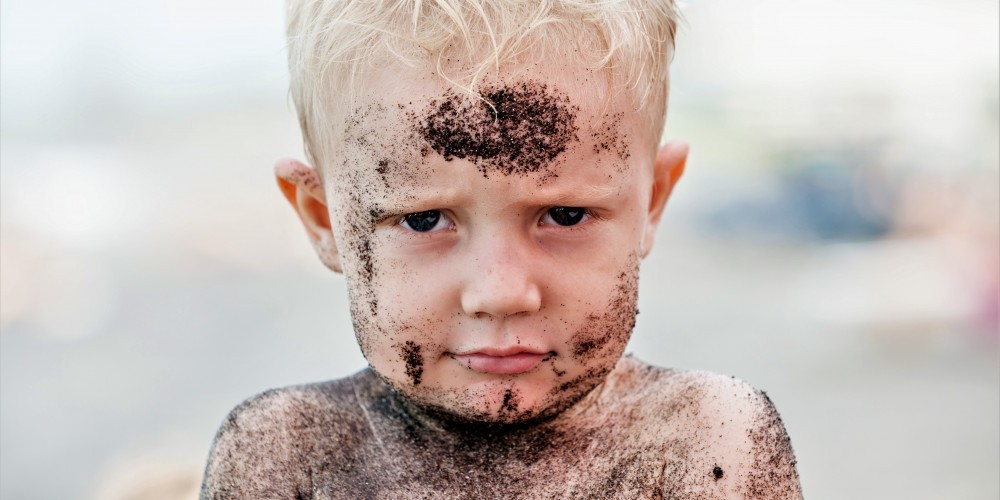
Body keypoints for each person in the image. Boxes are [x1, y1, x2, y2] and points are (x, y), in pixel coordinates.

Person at [200, 1, 803, 498]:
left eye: (564, 215)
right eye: (425, 220)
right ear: (323, 218)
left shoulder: (704, 443)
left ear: (652, 202)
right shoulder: (287, 456)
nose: (501, 291)